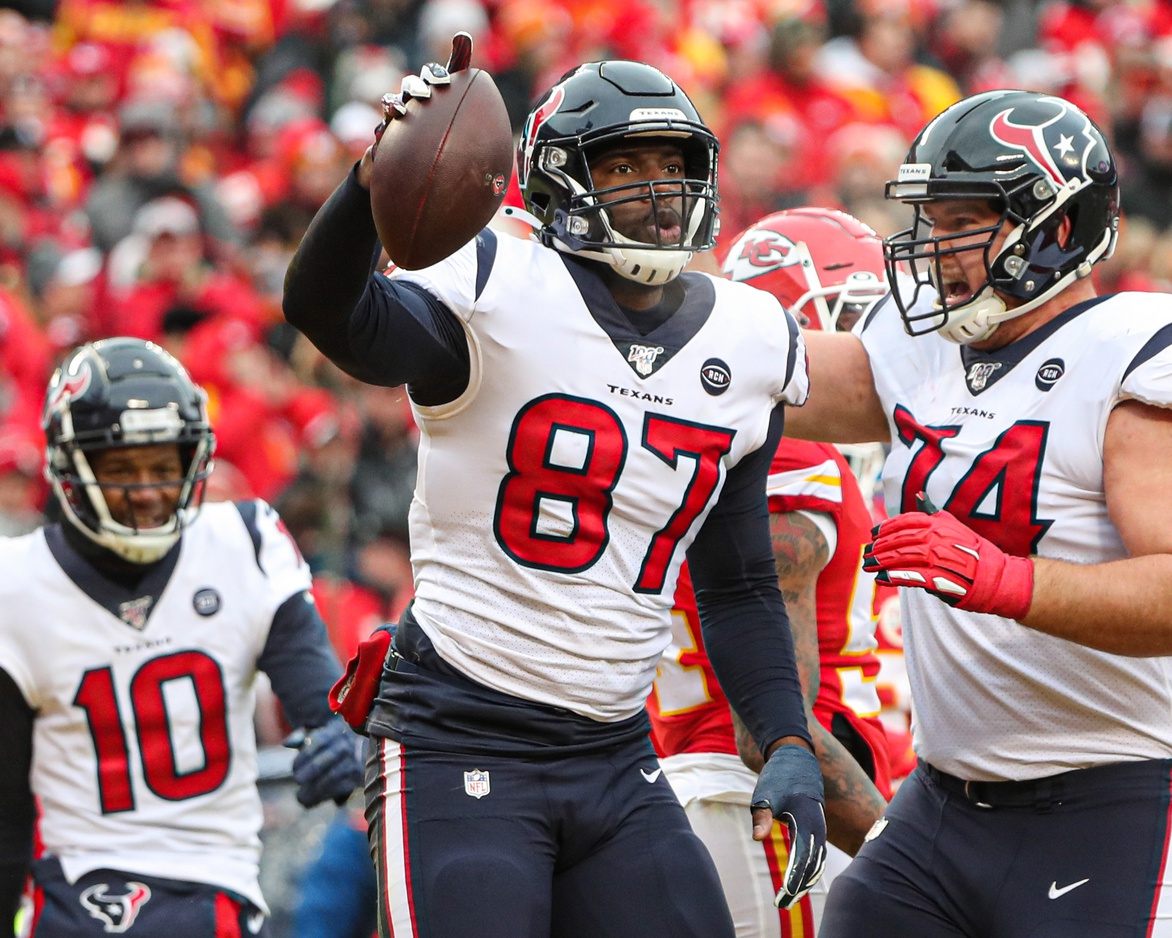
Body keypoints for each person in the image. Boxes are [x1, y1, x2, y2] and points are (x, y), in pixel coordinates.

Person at [281, 39, 828, 938]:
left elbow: (733, 580)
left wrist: (787, 740)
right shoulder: (497, 280)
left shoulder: (752, 335)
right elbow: (330, 313)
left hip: (614, 749)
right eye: (624, 166)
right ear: (561, 182)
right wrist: (372, 181)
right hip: (459, 729)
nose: (657, 188)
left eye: (672, 164)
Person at [784, 90, 1172, 937]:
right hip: (941, 800)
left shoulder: (1138, 346)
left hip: (1106, 798)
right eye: (930, 220)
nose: (933, 247)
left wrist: (996, 578)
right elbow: (762, 374)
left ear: (1057, 231)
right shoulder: (919, 345)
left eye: (964, 221)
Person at [0, 337, 362, 936]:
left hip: (212, 880)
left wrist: (342, 740)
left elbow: (320, 701)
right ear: (71, 467)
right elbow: (7, 806)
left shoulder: (242, 542)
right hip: (75, 886)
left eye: (164, 466)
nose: (147, 490)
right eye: (122, 468)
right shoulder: (19, 585)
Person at [648, 207, 916, 938]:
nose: (882, 345)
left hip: (736, 799)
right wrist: (911, 864)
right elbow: (766, 729)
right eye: (857, 316)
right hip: (760, 806)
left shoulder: (769, 446)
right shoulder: (789, 451)